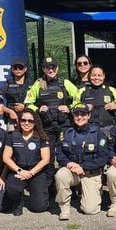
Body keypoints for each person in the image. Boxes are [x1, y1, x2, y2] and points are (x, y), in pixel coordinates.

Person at [25, 56, 79, 197]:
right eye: (47, 67)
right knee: (48, 158)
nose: (51, 70)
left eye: (53, 67)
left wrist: (70, 108)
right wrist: (38, 109)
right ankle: (49, 189)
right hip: (46, 127)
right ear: (43, 69)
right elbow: (27, 103)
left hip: (64, 125)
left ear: (57, 68)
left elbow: (79, 98)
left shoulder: (65, 83)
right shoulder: (38, 84)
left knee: (67, 154)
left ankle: (70, 187)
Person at [54, 103, 108, 220]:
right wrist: (68, 164)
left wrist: (82, 166)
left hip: (90, 172)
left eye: (83, 114)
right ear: (73, 116)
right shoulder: (66, 133)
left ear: (88, 116)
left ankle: (95, 190)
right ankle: (64, 208)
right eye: (77, 114)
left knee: (90, 210)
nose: (80, 117)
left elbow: (103, 158)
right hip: (72, 171)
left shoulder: (98, 133)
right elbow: (59, 153)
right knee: (61, 175)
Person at [3, 108, 50, 216]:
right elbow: (6, 157)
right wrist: (20, 171)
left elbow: (45, 159)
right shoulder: (12, 136)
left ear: (35, 122)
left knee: (39, 207)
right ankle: (18, 204)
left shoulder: (42, 137)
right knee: (12, 187)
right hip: (18, 171)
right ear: (19, 121)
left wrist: (31, 173)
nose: (27, 123)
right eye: (23, 120)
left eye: (30, 121)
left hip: (36, 172)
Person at [74, 65, 116, 136]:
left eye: (99, 75)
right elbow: (73, 108)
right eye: (94, 75)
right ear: (89, 76)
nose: (96, 78)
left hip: (108, 129)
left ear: (104, 76)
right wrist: (83, 107)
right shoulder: (81, 91)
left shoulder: (112, 91)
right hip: (88, 130)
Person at [0, 57, 33, 132]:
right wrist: (10, 111)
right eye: (15, 67)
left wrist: (25, 107)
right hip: (12, 120)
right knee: (12, 138)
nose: (18, 69)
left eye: (20, 67)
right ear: (12, 69)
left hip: (29, 119)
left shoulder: (32, 84)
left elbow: (38, 102)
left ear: (25, 69)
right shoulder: (7, 84)